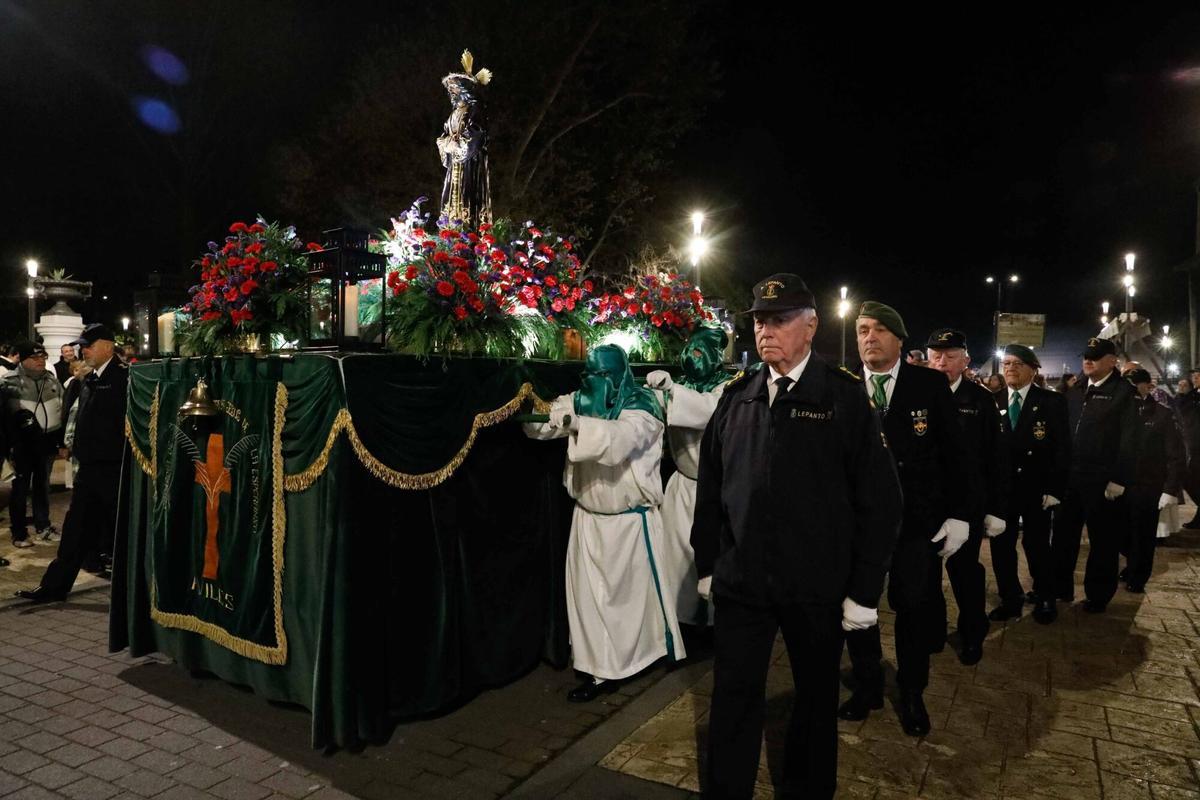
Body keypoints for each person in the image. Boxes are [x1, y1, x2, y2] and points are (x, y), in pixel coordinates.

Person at [692, 274, 901, 799]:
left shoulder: (844, 398)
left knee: (813, 700)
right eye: (760, 320)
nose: (766, 330)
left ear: (810, 326)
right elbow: (711, 490)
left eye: (779, 319)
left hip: (815, 585)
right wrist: (707, 565)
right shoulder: (736, 398)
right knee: (733, 699)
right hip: (744, 582)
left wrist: (863, 589)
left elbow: (880, 501)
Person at [839, 302, 973, 737]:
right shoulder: (841, 386)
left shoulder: (929, 385)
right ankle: (868, 684)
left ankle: (912, 691)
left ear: (899, 339)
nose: (869, 338)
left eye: (879, 329)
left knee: (913, 609)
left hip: (917, 523)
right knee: (857, 610)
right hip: (856, 526)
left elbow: (957, 456)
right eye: (862, 330)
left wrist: (960, 515)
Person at [524, 344, 685, 701]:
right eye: (589, 375)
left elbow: (619, 442)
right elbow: (546, 424)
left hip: (628, 525)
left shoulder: (643, 408)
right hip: (587, 520)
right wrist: (531, 412)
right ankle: (599, 669)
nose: (592, 382)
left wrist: (579, 424)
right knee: (589, 602)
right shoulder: (582, 399)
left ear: (616, 375)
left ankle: (631, 661)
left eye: (600, 375)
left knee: (624, 605)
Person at [15, 324, 128, 603]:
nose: (83, 351)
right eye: (81, 346)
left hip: (114, 471)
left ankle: (134, 595)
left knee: (122, 534)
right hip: (89, 471)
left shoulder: (125, 378)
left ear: (108, 346)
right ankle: (54, 588)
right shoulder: (89, 379)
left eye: (88, 345)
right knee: (74, 531)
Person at [925, 329, 1007, 664]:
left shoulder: (981, 400)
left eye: (950, 355)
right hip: (927, 504)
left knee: (965, 573)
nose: (942, 362)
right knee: (926, 576)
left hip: (968, 504)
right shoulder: (917, 395)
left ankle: (973, 632)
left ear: (965, 360)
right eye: (935, 355)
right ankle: (931, 631)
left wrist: (997, 509)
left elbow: (997, 459)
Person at [645, 326, 730, 628]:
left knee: (710, 559)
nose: (693, 355)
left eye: (701, 350)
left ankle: (715, 625)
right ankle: (680, 621)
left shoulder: (727, 387)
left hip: (714, 490)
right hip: (682, 486)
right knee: (677, 560)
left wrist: (671, 391)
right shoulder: (680, 384)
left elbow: (707, 410)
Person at [1050, 337, 1137, 614]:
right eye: (1086, 356)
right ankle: (1059, 587)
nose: (1088, 360)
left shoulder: (1123, 393)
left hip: (1102, 480)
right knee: (1063, 536)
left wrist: (1120, 479)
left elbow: (1130, 439)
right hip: (1071, 477)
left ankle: (1098, 594)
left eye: (1096, 356)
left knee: (1103, 541)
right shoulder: (1075, 391)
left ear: (1112, 360)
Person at [987, 344, 1070, 624]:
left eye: (1017, 364)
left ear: (1033, 369)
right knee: (1001, 547)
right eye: (1007, 363)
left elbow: (1062, 449)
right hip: (1002, 490)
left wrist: (1056, 489)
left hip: (1037, 487)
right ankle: (1010, 598)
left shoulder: (1051, 402)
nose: (1010, 368)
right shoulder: (992, 401)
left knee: (1037, 545)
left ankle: (1045, 596)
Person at [1121, 369, 1185, 592]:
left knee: (1143, 535)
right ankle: (1132, 563)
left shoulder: (1161, 414)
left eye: (1134, 383)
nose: (1129, 388)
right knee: (1123, 533)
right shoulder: (1120, 412)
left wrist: (1170, 489)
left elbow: (1176, 455)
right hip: (1121, 485)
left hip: (1148, 486)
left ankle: (1138, 576)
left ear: (1147, 386)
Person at [2, 341, 64, 548]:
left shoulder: (51, 380)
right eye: (35, 357)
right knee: (20, 487)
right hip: (22, 443)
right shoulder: (9, 382)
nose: (40, 361)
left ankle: (43, 526)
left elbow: (61, 408)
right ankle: (19, 532)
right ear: (23, 359)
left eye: (43, 357)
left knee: (42, 485)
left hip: (47, 441)